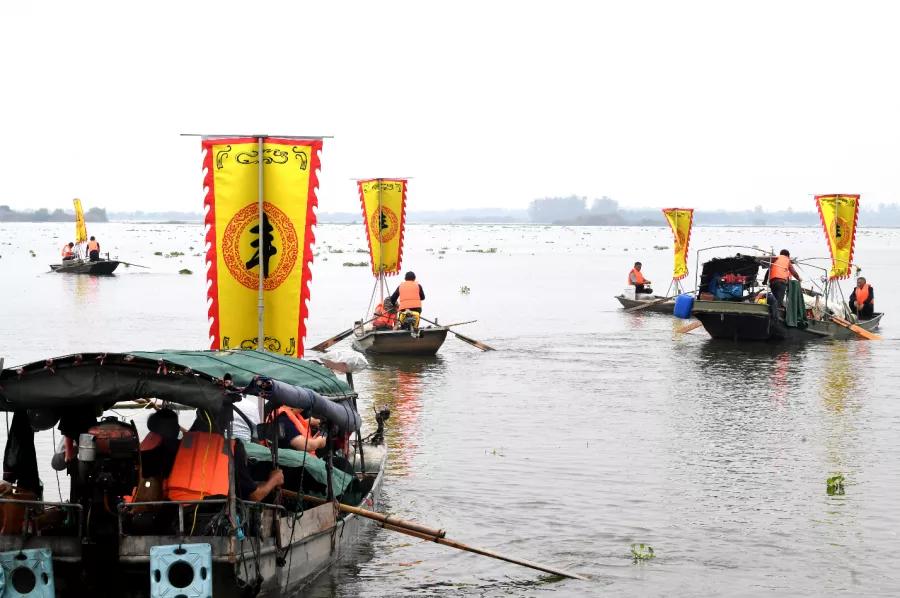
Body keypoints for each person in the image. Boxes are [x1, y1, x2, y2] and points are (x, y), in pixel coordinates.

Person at [166, 414, 284, 502]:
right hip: (212, 514)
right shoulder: (232, 448)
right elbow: (254, 496)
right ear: (225, 422)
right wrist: (274, 480)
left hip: (173, 510)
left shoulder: (180, 445)